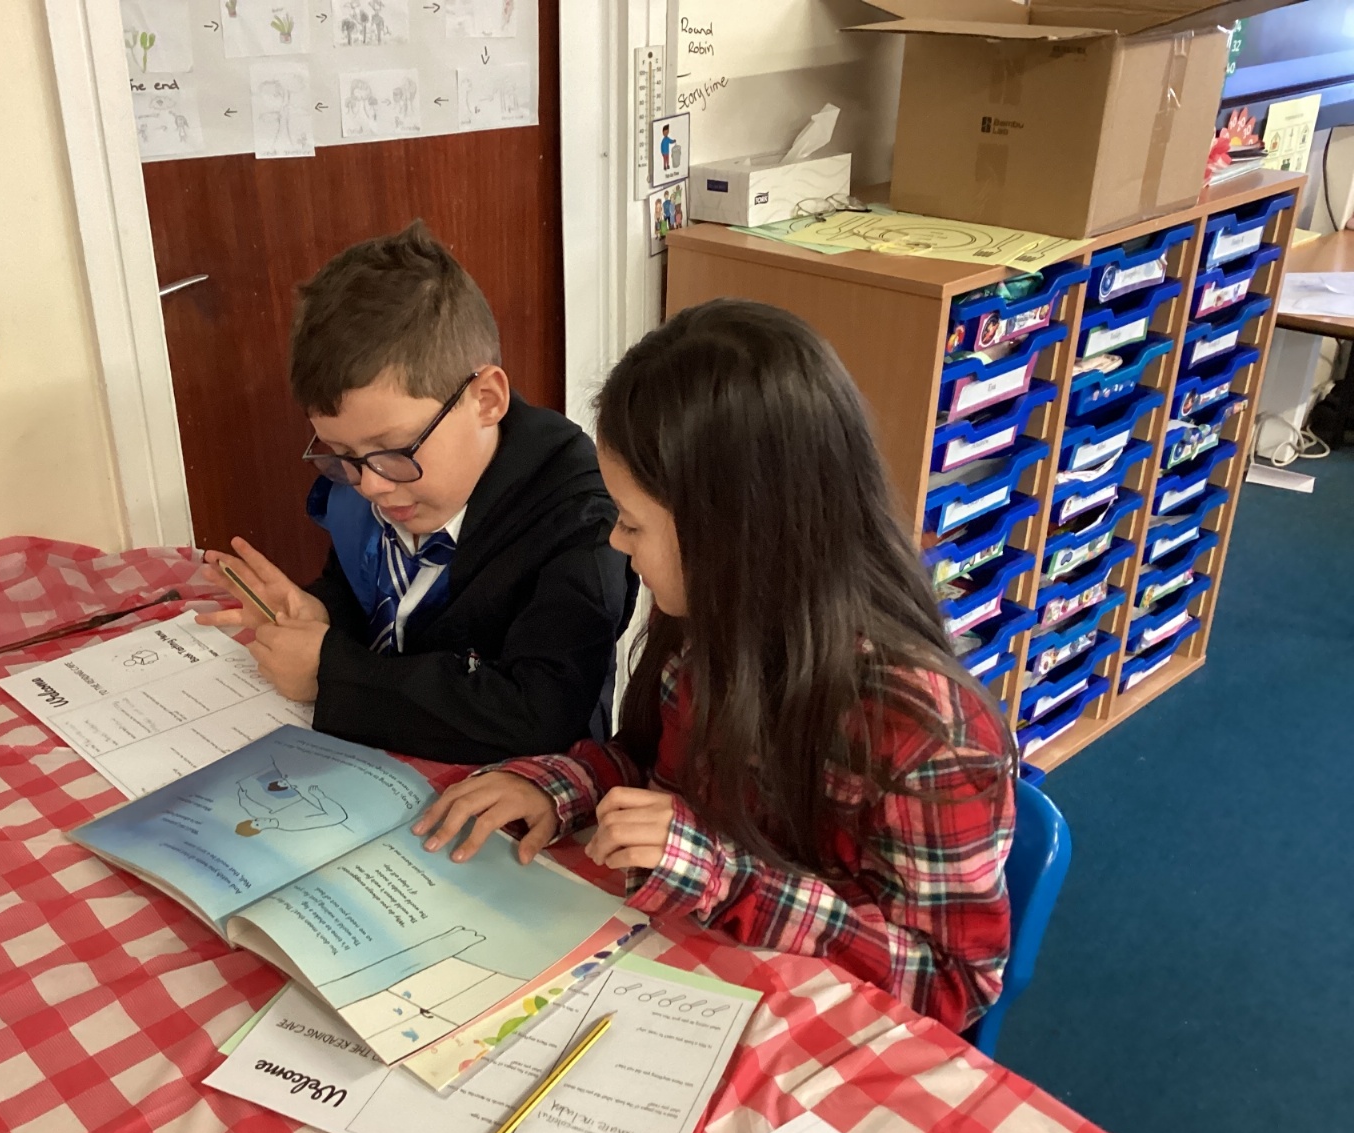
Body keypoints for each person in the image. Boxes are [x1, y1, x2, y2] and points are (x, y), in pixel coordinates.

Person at [413, 298, 1017, 1031]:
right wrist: (564, 787)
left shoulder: (924, 729)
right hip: (697, 983)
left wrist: (721, 876)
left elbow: (952, 985)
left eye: (631, 522)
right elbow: (650, 766)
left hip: (810, 1033)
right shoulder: (707, 624)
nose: (615, 542)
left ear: (735, 534)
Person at [198, 222, 635, 764]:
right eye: (342, 453)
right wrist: (322, 612)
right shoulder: (380, 477)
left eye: (394, 449)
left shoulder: (581, 523)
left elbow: (540, 715)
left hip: (520, 785)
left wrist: (335, 675)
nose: (372, 485)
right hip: (381, 760)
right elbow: (362, 593)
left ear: (486, 400)